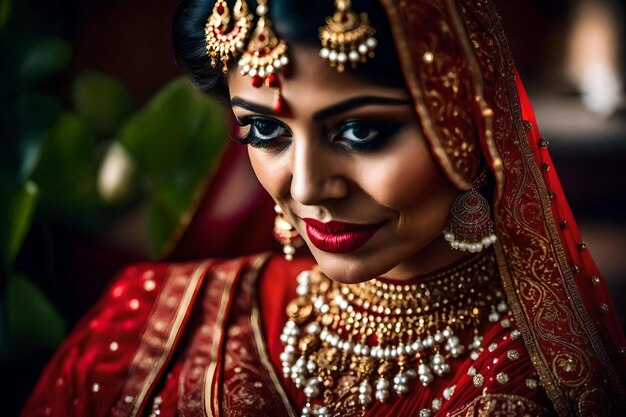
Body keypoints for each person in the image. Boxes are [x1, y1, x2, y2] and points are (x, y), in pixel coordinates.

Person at [21, 0, 626, 416]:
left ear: (466, 123)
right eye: (263, 130)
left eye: (360, 132)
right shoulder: (142, 327)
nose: (308, 187)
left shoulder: (561, 390)